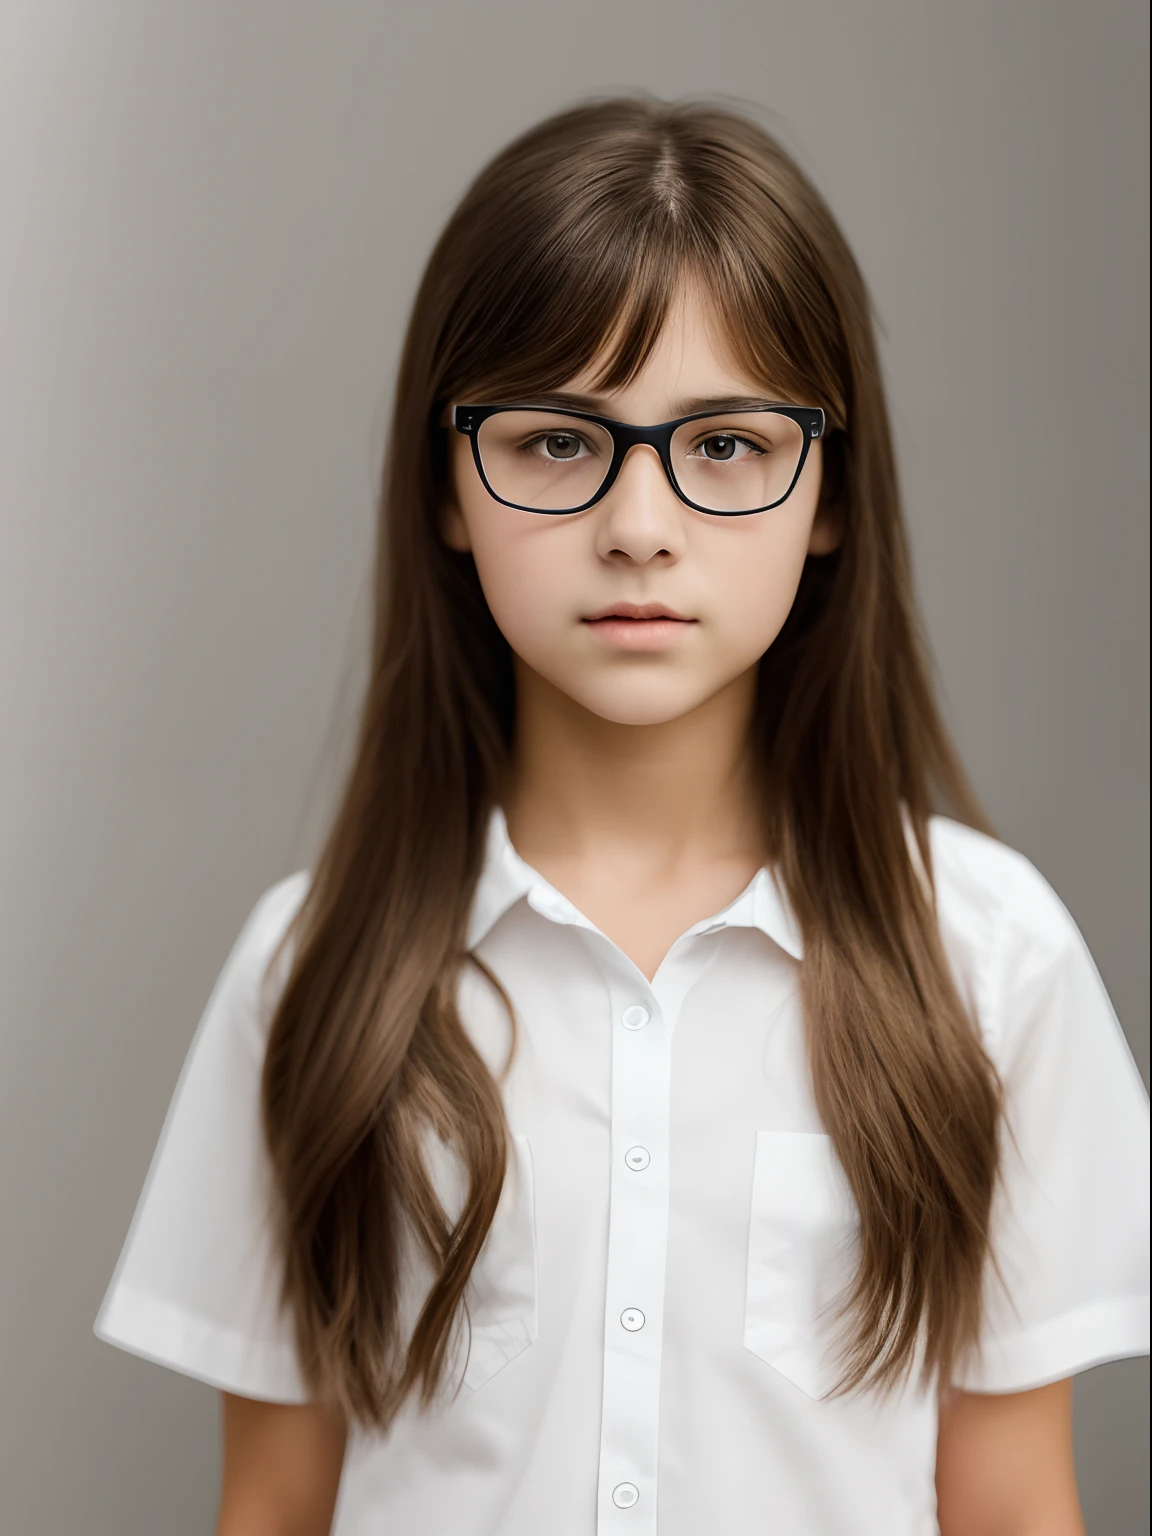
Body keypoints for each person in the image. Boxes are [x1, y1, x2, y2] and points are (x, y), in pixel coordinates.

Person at [93, 95, 1150, 1535]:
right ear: (448, 490)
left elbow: (1019, 1505)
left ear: (829, 491)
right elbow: (273, 1504)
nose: (639, 522)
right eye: (553, 441)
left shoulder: (992, 960)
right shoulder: (315, 970)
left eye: (722, 446)